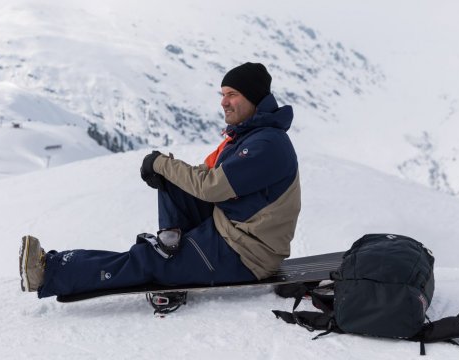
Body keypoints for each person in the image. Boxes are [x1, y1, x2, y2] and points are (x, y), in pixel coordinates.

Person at [20, 62, 301, 298]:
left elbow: (212, 187)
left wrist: (162, 163)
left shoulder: (266, 144)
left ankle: (47, 272)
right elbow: (205, 174)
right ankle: (173, 250)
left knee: (146, 260)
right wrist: (165, 171)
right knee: (172, 180)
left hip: (245, 255)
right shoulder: (249, 135)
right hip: (230, 231)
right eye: (222, 94)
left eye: (232, 94)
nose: (223, 102)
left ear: (253, 97)